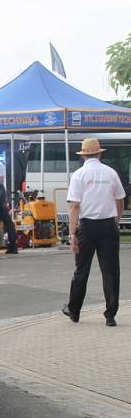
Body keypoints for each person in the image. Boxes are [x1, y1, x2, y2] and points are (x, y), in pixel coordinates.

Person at [62, 138, 125, 327]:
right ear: (99, 153)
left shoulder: (79, 175)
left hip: (87, 227)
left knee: (81, 269)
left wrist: (72, 234)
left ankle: (74, 311)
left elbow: (74, 206)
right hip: (108, 225)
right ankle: (110, 315)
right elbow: (120, 199)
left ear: (83, 156)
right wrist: (116, 219)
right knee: (111, 271)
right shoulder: (111, 173)